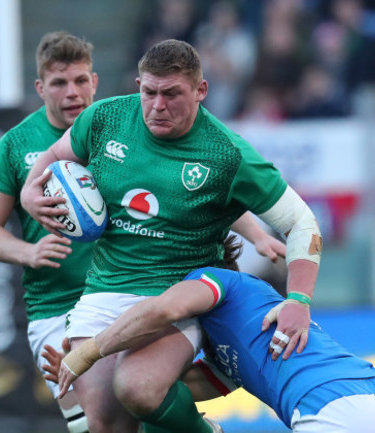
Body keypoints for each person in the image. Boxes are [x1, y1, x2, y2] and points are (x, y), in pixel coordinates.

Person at [20, 39, 322, 433]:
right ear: (138, 85)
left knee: (139, 389)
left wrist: (298, 299)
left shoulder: (227, 155)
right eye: (149, 92)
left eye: (171, 94)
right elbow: (56, 156)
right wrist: (29, 192)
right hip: (105, 289)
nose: (157, 106)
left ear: (201, 91)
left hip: (180, 293)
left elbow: (302, 223)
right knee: (104, 420)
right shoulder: (106, 118)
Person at [48, 236, 375, 433]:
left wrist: (90, 351)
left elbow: (163, 310)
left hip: (329, 405)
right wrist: (95, 382)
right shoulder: (230, 336)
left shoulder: (221, 281)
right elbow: (166, 393)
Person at [0, 31, 102, 433]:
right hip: (54, 308)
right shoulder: (15, 146)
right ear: (41, 88)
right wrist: (27, 252)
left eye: (80, 80)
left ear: (94, 82)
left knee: (145, 400)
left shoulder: (119, 129)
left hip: (122, 294)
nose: (72, 92)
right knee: (89, 425)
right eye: (59, 83)